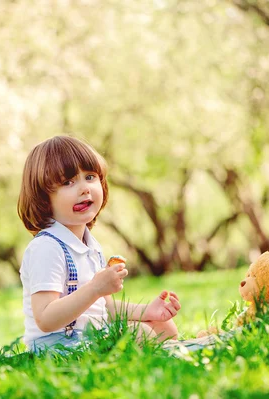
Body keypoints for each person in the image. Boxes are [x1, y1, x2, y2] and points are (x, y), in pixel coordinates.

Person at [17, 135, 181, 352]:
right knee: (139, 334)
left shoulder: (90, 246)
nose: (84, 188)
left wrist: (148, 311)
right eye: (68, 182)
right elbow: (46, 318)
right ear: (43, 198)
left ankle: (171, 357)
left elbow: (103, 308)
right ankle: (162, 359)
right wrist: (95, 288)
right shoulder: (47, 248)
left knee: (163, 326)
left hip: (89, 337)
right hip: (58, 347)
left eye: (90, 177)